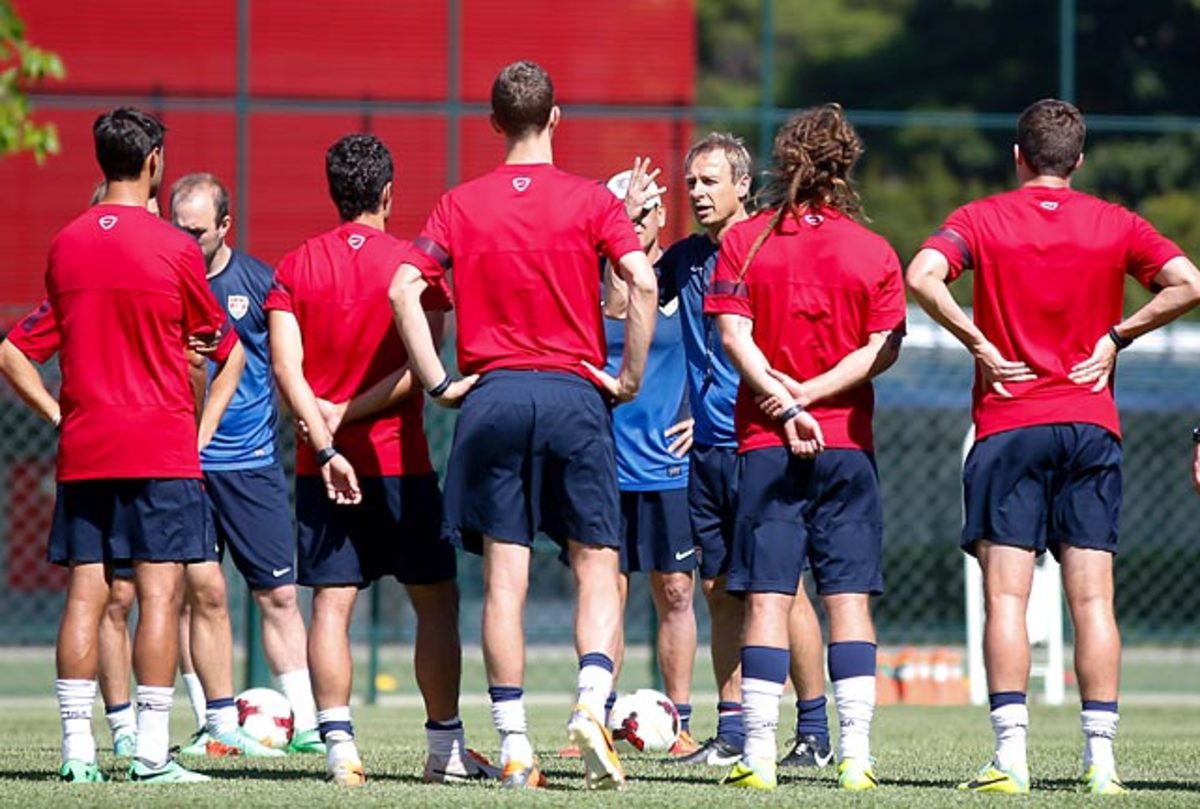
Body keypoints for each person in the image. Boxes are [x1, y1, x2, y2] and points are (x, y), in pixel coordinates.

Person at [906, 98, 1200, 796]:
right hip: (1091, 423)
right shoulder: (1114, 222)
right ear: (1079, 160)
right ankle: (1101, 763)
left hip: (1009, 425)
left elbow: (922, 275)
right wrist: (1118, 335)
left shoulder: (980, 219)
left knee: (1006, 596)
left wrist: (975, 339)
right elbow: (1189, 282)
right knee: (1093, 600)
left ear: (1017, 156)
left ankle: (1011, 760)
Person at [388, 60, 657, 790]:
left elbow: (402, 286)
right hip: (573, 394)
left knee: (506, 581)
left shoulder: (459, 203)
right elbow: (644, 279)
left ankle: (512, 746)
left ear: (493, 123)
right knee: (599, 564)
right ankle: (590, 702)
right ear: (557, 117)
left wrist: (439, 380)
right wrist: (628, 377)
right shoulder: (591, 202)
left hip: (492, 396)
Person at [0, 107, 245, 783]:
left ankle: (78, 753)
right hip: (160, 450)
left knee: (85, 597)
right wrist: (202, 424)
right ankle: (149, 753)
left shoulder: (66, 242)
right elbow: (221, 346)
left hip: (86, 450)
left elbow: (13, 352)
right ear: (155, 161)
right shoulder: (174, 248)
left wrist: (57, 413)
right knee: (160, 598)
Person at [266, 133, 490, 786]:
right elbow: (426, 370)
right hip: (403, 466)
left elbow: (287, 366)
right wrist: (349, 415)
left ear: (334, 192)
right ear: (389, 193)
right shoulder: (412, 265)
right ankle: (443, 750)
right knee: (437, 603)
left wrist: (325, 429)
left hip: (320, 466)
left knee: (331, 606)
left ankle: (339, 749)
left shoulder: (296, 264)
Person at [706, 103, 906, 792]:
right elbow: (881, 349)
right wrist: (818, 396)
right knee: (848, 599)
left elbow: (734, 337)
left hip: (766, 439)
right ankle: (855, 756)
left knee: (766, 597)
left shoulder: (747, 242)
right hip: (846, 444)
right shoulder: (874, 251)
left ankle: (757, 757)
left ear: (783, 161)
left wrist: (788, 402)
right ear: (845, 167)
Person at [657, 133, 831, 768]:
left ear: (741, 186)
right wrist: (629, 231)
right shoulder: (684, 258)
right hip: (707, 450)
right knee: (720, 589)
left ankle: (813, 732)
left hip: (762, 442)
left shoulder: (768, 248)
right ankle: (732, 730)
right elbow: (623, 304)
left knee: (785, 592)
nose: (697, 194)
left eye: (709, 182)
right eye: (691, 184)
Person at [168, 172, 322, 757]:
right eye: (178, 230)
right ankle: (215, 723)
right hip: (182, 464)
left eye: (198, 232)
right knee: (196, 594)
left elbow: (287, 363)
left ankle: (307, 723)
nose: (187, 242)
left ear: (225, 227)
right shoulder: (163, 281)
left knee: (279, 597)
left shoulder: (259, 284)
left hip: (251, 464)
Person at [600, 168, 700, 757]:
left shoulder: (682, 278)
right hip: (602, 465)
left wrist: (706, 415)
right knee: (605, 591)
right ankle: (597, 712)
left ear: (661, 215)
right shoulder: (591, 282)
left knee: (677, 591)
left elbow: (728, 347)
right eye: (623, 216)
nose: (633, 226)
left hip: (667, 465)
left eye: (642, 215)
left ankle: (678, 721)